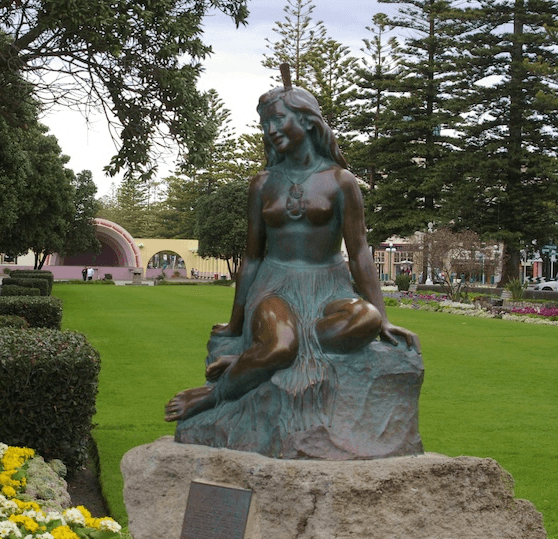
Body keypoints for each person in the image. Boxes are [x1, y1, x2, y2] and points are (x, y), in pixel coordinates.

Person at [165, 65, 420, 424]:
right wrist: (236, 326)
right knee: (282, 343)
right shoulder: (263, 183)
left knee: (366, 318)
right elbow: (252, 258)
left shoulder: (341, 182)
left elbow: (360, 251)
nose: (270, 131)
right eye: (264, 124)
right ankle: (215, 394)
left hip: (329, 286)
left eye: (277, 120)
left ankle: (250, 360)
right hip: (276, 287)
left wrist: (384, 319)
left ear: (308, 121)